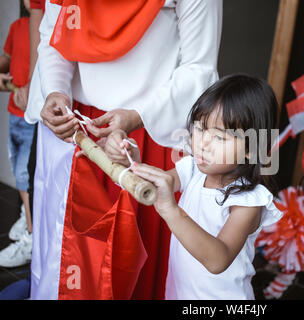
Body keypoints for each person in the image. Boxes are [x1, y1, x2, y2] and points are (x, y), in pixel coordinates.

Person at [25, 0, 222, 299]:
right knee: (66, 257)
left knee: (137, 260)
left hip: (149, 130)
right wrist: (55, 89)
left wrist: (137, 117)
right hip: (75, 127)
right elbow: (54, 34)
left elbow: (199, 67)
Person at [104, 74, 283, 299]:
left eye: (219, 138)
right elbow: (152, 187)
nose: (203, 143)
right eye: (200, 129)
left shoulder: (248, 200)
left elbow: (219, 260)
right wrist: (130, 159)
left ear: (252, 148)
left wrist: (172, 211)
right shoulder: (192, 169)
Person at [0, 0, 34, 268]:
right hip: (15, 113)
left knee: (28, 174)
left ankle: (32, 237)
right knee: (19, 170)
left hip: (36, 118)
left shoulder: (46, 27)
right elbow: (8, 60)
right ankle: (27, 213)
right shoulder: (17, 26)